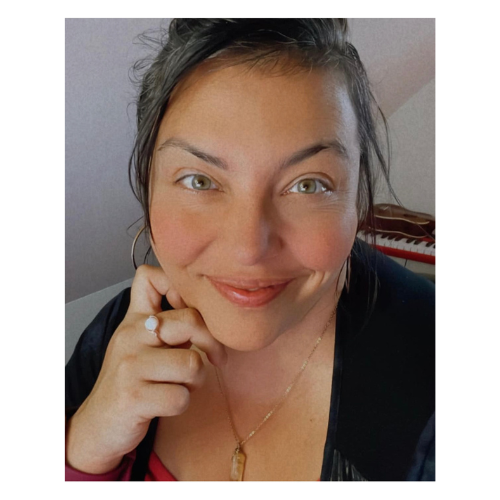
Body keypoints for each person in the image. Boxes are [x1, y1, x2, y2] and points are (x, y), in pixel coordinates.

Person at [65, 18, 435, 481]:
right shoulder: (120, 334)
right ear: (148, 186)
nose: (248, 250)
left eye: (308, 184)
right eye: (199, 181)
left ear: (357, 198)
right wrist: (84, 448)